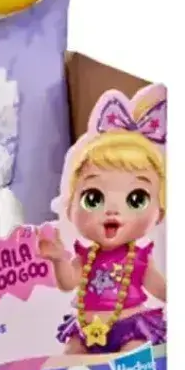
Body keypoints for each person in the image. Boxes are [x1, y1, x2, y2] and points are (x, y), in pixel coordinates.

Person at [40, 87, 167, 356]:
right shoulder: (86, 256)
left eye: (135, 200)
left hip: (130, 327)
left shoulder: (140, 258)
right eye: (94, 199)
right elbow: (69, 282)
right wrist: (59, 259)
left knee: (134, 357)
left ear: (161, 211)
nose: (112, 211)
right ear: (70, 206)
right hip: (87, 329)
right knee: (69, 357)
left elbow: (160, 288)